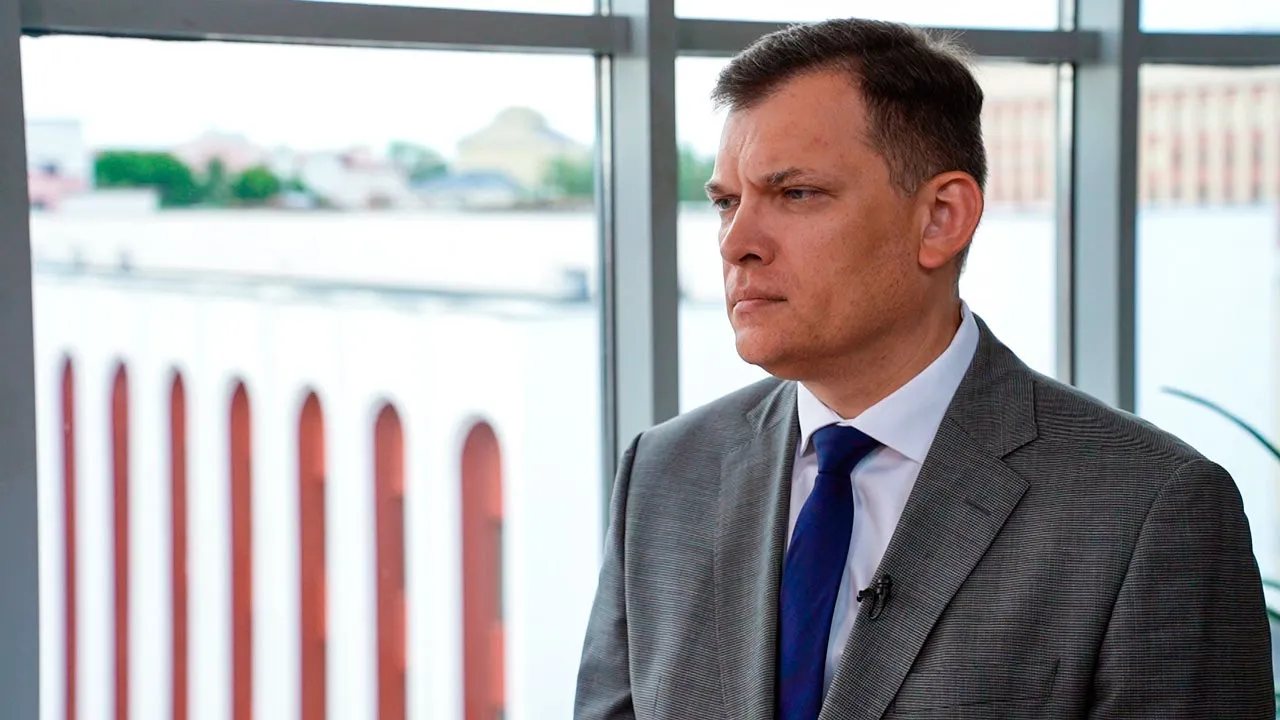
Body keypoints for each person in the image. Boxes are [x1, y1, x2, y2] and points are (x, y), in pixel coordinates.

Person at [574, 15, 1273, 720]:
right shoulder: (664, 474)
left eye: (796, 194)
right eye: (727, 202)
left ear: (941, 217)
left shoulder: (1148, 510)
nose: (736, 243)